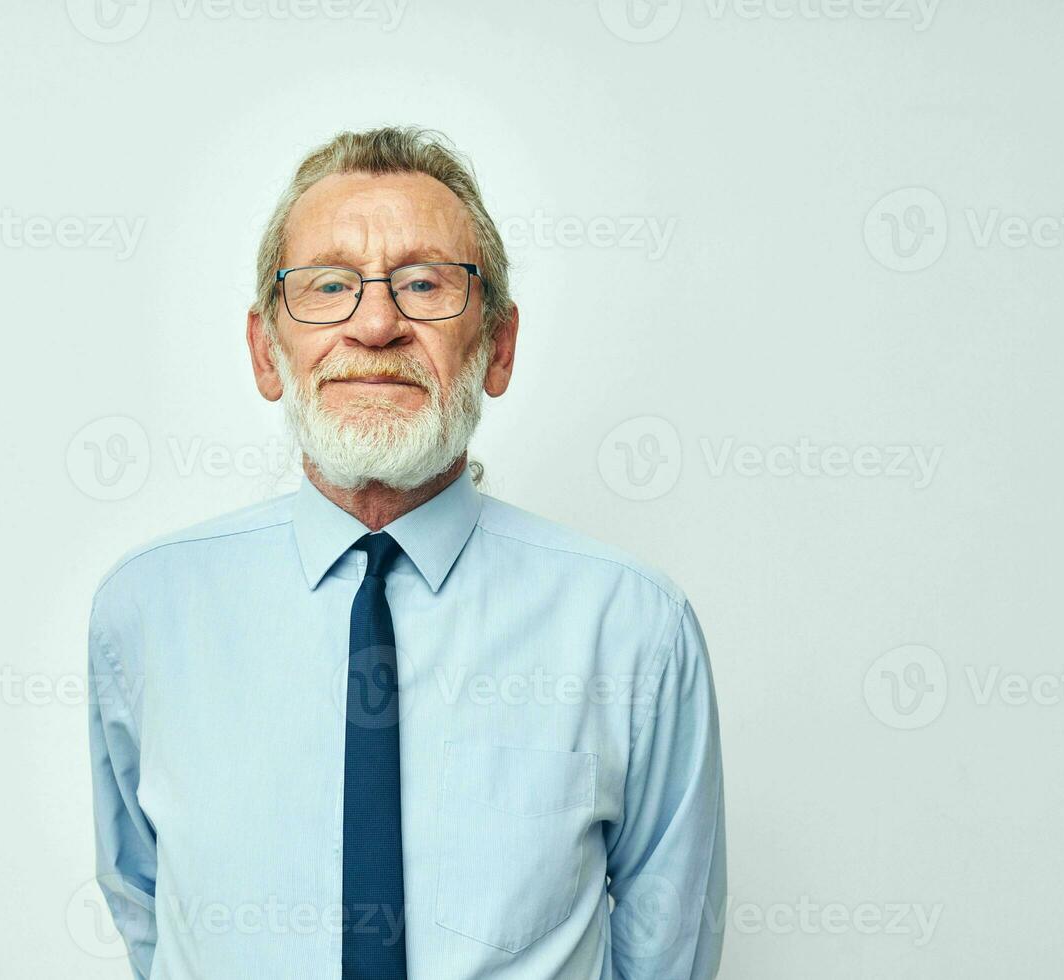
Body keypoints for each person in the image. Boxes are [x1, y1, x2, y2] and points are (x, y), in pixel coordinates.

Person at [88, 125, 726, 979]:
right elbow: (146, 908)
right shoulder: (148, 611)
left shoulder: (633, 628)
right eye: (328, 286)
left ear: (497, 347)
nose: (378, 322)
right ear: (265, 351)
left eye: (425, 284)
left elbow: (667, 952)